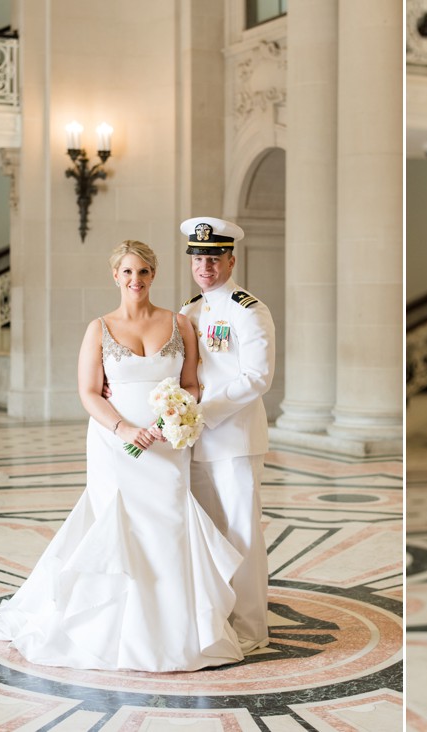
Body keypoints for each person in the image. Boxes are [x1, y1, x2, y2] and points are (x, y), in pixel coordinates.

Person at [0, 240, 245, 671]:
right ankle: (108, 627)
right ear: (115, 276)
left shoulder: (180, 323)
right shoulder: (98, 328)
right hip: (114, 445)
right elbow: (87, 392)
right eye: (127, 272)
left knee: (169, 525)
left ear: (154, 275)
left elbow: (192, 383)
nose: (135, 280)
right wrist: (124, 430)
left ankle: (175, 632)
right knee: (118, 525)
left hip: (166, 444)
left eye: (143, 272)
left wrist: (169, 419)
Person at [179, 216, 275, 652]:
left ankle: (252, 628)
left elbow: (258, 377)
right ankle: (218, 617)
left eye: (215, 257)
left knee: (242, 533)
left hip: (233, 438)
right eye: (199, 257)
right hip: (195, 440)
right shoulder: (190, 310)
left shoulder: (248, 308)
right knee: (208, 534)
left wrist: (205, 412)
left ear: (231, 259)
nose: (206, 266)